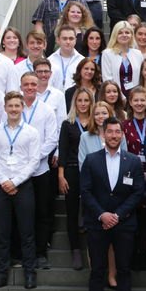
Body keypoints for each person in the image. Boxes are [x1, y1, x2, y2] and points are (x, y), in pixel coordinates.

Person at [80, 118, 144, 291]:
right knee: (97, 270)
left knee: (124, 270)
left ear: (122, 135)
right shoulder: (91, 160)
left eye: (118, 132)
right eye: (110, 132)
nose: (114, 135)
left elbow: (137, 192)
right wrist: (102, 215)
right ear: (103, 135)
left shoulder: (133, 161)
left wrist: (117, 215)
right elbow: (86, 191)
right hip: (98, 224)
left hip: (124, 224)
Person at [0, 91, 41, 289]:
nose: (14, 109)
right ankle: (1, 274)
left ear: (22, 107)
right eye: (11, 106)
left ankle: (30, 273)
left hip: (23, 186)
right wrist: (4, 181)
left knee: (27, 232)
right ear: (5, 108)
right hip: (1, 187)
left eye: (17, 106)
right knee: (2, 233)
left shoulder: (32, 132)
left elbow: (34, 161)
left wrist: (15, 181)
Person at [14, 72, 60, 269]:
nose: (30, 87)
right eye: (27, 84)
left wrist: (34, 158)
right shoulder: (14, 108)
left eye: (33, 84)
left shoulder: (46, 111)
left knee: (42, 213)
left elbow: (51, 139)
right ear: (21, 86)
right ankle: (17, 254)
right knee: (19, 214)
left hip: (40, 171)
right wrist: (23, 160)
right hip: (17, 171)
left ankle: (40, 253)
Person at [57, 88, 92, 271]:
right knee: (71, 212)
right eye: (80, 100)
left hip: (92, 171)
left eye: (87, 100)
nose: (83, 103)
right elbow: (62, 151)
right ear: (75, 103)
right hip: (71, 170)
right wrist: (61, 176)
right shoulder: (68, 124)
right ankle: (76, 250)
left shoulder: (95, 123)